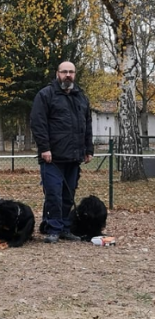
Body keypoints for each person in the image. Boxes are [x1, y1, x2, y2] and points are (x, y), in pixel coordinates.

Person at [30, 61, 93, 244]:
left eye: (71, 72)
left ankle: (65, 227)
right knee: (53, 194)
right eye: (64, 71)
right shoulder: (46, 95)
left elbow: (86, 124)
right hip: (53, 158)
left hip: (74, 156)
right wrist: (45, 148)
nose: (68, 75)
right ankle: (52, 229)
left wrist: (88, 149)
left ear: (75, 74)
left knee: (68, 194)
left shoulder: (81, 97)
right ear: (57, 73)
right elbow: (38, 123)